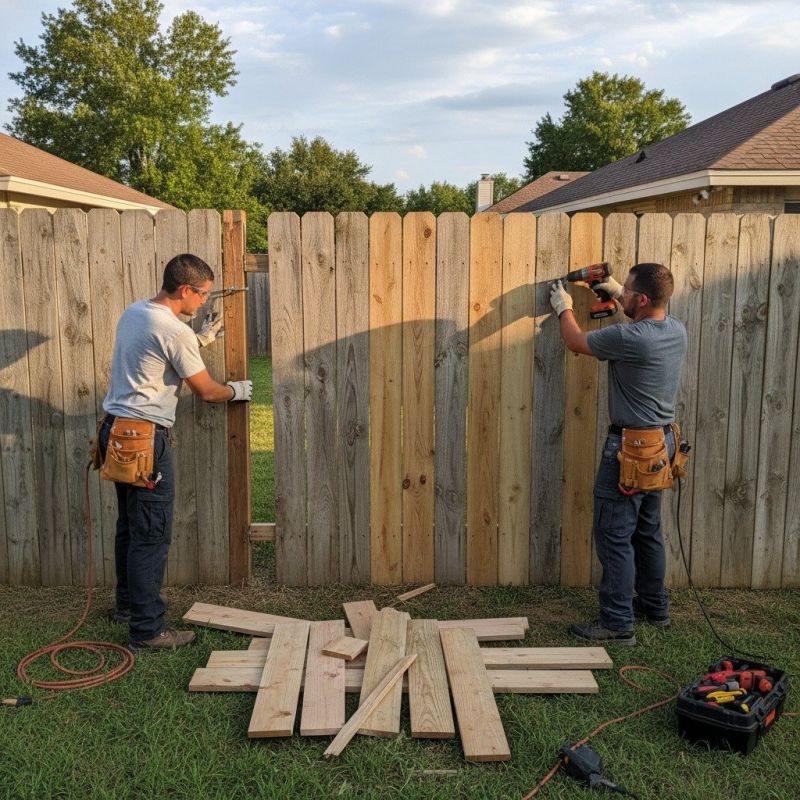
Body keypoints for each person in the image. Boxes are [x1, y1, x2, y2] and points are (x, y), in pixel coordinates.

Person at [99, 253, 252, 652]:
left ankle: (127, 606)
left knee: (130, 526)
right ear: (185, 289)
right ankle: (148, 630)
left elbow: (152, 358)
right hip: (146, 441)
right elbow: (207, 391)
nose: (204, 301)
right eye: (202, 294)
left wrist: (198, 339)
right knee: (151, 534)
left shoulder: (135, 313)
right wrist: (236, 390)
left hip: (115, 433)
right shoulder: (174, 332)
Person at [549, 263, 687, 646]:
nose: (620, 292)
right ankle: (655, 606)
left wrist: (563, 307)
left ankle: (616, 622)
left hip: (629, 451)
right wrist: (613, 291)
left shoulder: (631, 338)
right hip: (661, 446)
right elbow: (642, 313)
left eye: (626, 289)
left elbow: (577, 342)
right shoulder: (676, 330)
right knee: (647, 530)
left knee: (614, 535)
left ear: (642, 300)